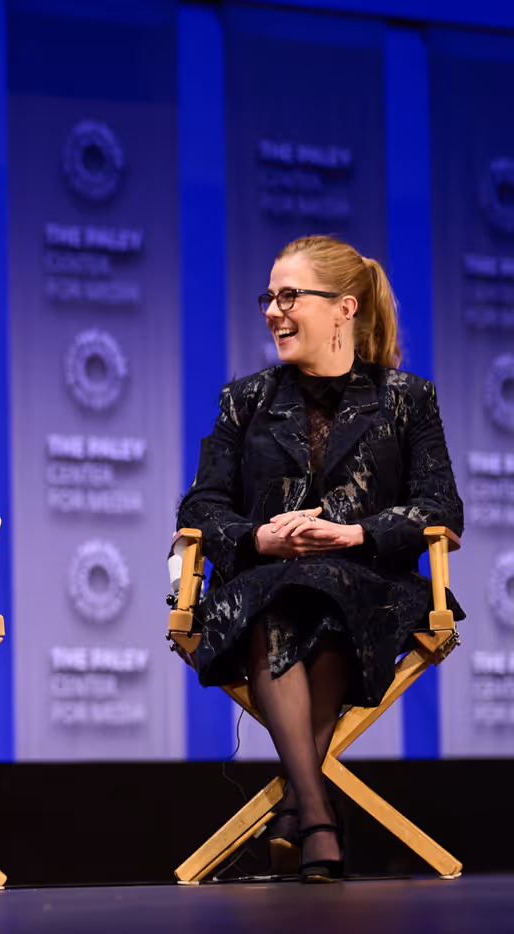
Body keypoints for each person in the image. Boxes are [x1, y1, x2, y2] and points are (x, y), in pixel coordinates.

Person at [178, 235, 463, 882]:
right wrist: (260, 540)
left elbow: (441, 506)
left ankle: (302, 812)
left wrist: (353, 536)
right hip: (261, 587)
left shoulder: (407, 399)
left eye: (290, 297)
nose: (274, 312)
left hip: (370, 586)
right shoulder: (243, 400)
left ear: (344, 308)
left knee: (330, 597)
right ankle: (316, 815)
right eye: (269, 299)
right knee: (280, 604)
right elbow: (200, 509)